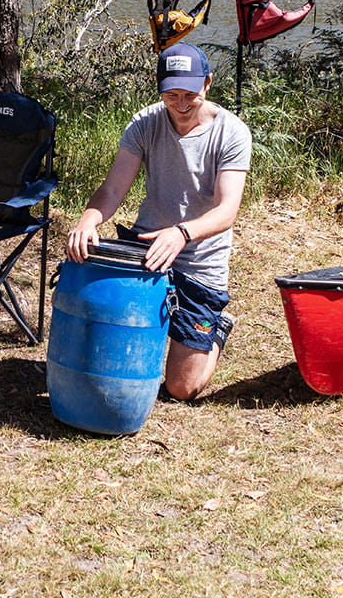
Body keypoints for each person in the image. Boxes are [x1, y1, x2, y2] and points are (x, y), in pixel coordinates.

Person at [65, 42, 250, 400]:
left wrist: (182, 234)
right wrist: (88, 220)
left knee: (182, 388)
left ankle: (215, 330)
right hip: (146, 249)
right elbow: (114, 188)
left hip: (199, 261)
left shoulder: (232, 132)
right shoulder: (145, 122)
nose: (180, 105)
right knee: (106, 349)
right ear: (158, 85)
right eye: (171, 95)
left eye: (190, 95)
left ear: (208, 83)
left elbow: (227, 211)